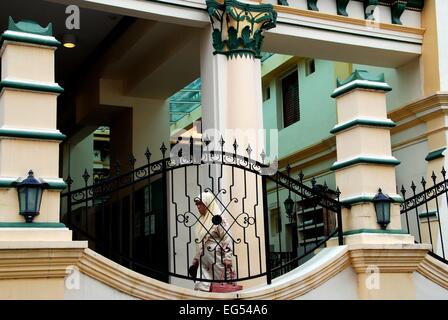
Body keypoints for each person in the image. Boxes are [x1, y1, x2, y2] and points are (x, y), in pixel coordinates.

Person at [191, 192, 234, 292]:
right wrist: (196, 258)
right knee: (201, 286)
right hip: (203, 259)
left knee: (219, 285)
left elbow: (227, 237)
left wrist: (228, 257)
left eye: (200, 203)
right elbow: (200, 241)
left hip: (217, 258)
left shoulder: (218, 218)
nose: (198, 206)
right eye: (196, 204)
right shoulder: (201, 220)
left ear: (207, 203)